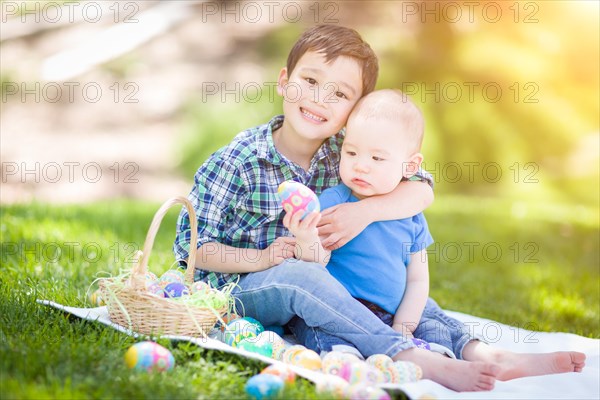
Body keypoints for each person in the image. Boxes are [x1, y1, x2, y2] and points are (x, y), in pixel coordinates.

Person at [174, 24, 499, 392]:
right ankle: (402, 353)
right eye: (310, 81)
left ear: (355, 110)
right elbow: (192, 252)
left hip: (322, 277)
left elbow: (420, 188)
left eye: (340, 93)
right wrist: (264, 259)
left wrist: (365, 212)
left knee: (390, 286)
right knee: (301, 277)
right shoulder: (237, 161)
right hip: (240, 290)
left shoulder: (349, 150)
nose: (319, 99)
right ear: (284, 81)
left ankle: (475, 350)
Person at [284, 89, 587, 390]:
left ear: (410, 166)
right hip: (344, 309)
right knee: (325, 329)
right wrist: (305, 237)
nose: (361, 165)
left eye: (377, 157)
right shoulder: (332, 202)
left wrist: (404, 326)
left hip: (393, 310)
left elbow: (417, 280)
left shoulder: (409, 214)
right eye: (351, 153)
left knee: (436, 325)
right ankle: (353, 365)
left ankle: (487, 356)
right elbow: (316, 267)